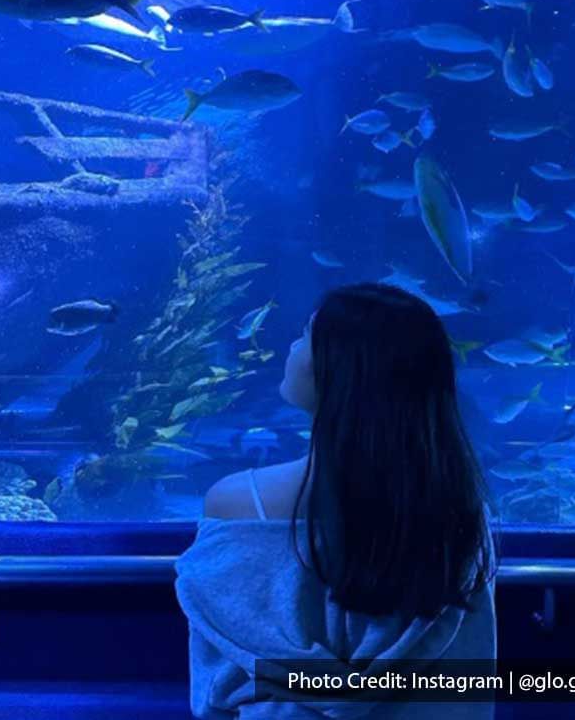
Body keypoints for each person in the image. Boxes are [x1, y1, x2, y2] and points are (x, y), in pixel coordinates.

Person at [175, 282, 498, 718]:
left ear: (343, 368)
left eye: (306, 333)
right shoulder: (459, 514)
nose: (292, 345)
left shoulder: (238, 502)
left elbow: (218, 683)